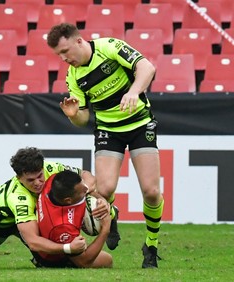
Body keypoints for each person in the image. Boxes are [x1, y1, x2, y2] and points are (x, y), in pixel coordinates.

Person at [46, 23, 164, 268]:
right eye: (59, 55)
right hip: (109, 132)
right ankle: (113, 218)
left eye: (66, 51)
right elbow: (83, 119)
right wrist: (72, 114)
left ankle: (150, 245)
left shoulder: (109, 47)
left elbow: (147, 67)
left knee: (151, 192)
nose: (64, 58)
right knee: (105, 190)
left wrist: (133, 92)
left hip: (140, 124)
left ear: (79, 41)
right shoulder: (73, 76)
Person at [31, 169, 112, 268]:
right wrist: (105, 230)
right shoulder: (62, 226)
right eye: (82, 192)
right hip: (54, 257)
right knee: (107, 260)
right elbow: (84, 262)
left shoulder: (54, 181)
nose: (86, 190)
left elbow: (88, 188)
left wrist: (101, 199)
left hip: (58, 232)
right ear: (68, 200)